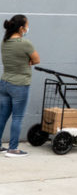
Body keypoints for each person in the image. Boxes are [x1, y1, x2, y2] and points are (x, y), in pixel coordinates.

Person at [0, 15, 40, 157]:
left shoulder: (4, 42)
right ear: (21, 28)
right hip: (20, 85)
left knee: (2, 116)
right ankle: (13, 149)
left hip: (4, 83)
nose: (28, 28)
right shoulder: (25, 43)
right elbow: (36, 60)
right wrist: (27, 61)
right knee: (17, 117)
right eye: (27, 25)